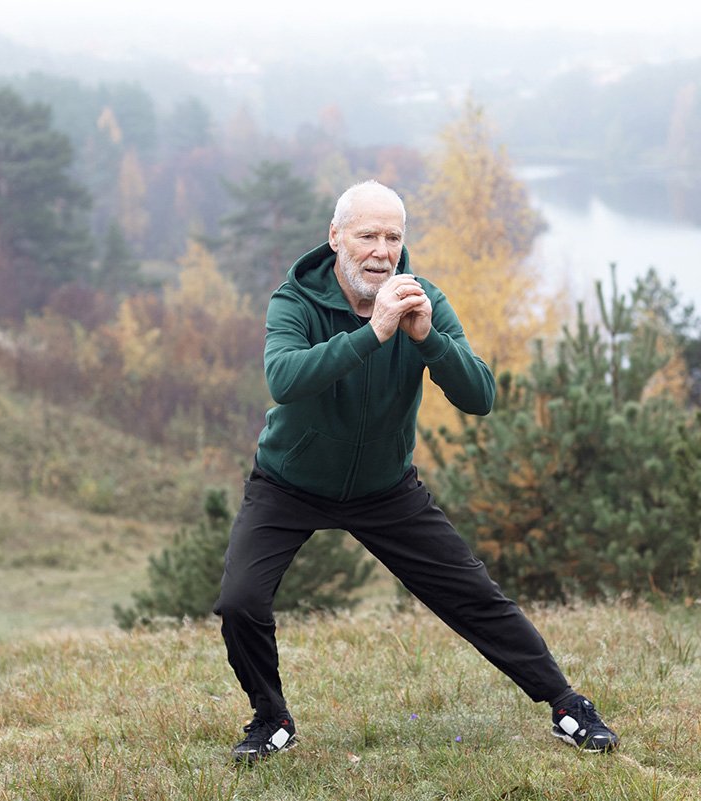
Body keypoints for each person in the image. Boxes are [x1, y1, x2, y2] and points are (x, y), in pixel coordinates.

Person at [213, 179, 619, 763]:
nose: (382, 251)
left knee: (475, 596)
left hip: (385, 490)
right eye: (367, 236)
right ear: (335, 238)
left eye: (393, 238)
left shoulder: (422, 299)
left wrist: (426, 338)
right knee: (240, 602)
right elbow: (284, 379)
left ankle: (565, 705)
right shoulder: (294, 301)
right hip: (288, 483)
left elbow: (480, 396)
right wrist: (373, 333)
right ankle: (270, 717)